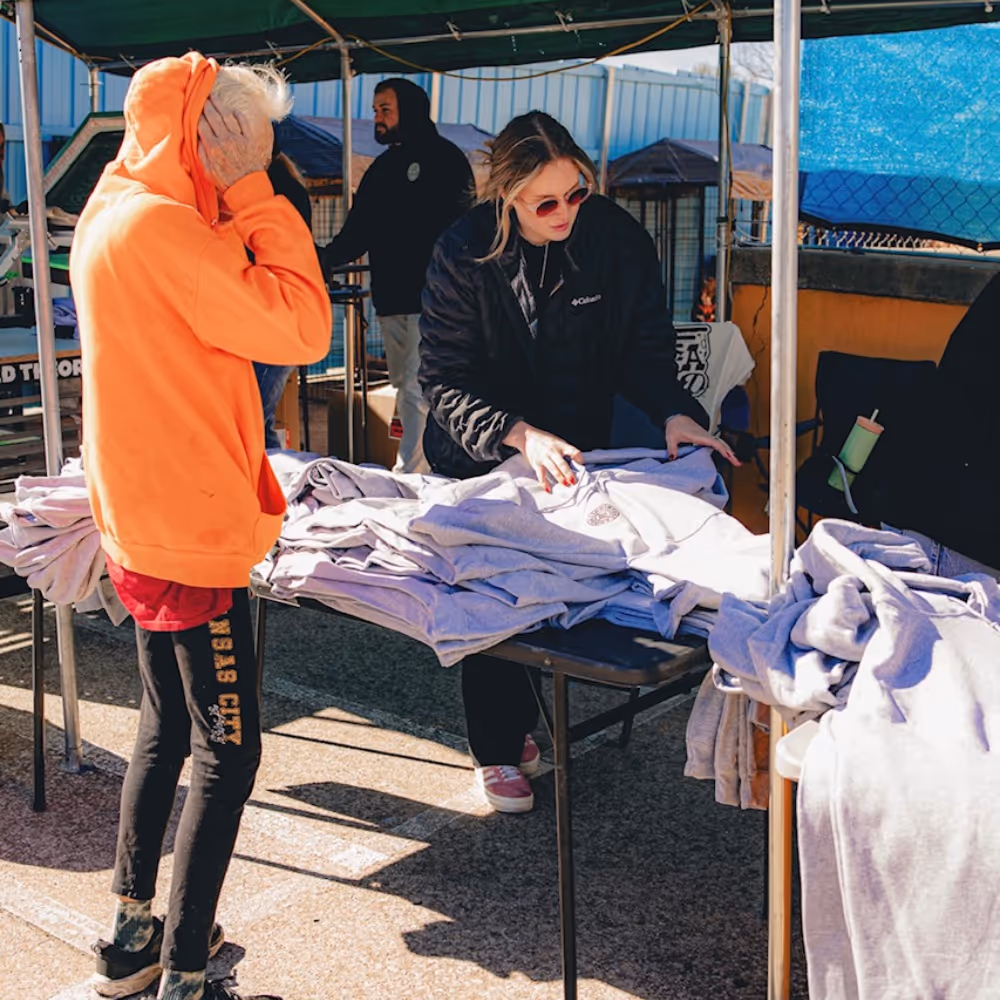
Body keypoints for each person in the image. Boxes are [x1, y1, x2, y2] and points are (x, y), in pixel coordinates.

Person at [70, 53, 331, 1000]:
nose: (249, 162)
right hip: (191, 530)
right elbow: (305, 329)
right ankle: (186, 967)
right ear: (207, 140)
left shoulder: (110, 211)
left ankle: (132, 934)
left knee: (164, 725)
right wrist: (256, 191)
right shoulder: (169, 230)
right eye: (244, 143)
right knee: (229, 749)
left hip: (142, 521)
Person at [419, 111, 737, 814]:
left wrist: (674, 410)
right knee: (496, 585)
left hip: (575, 441)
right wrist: (516, 433)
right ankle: (497, 746)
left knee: (559, 582)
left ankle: (522, 712)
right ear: (506, 198)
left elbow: (646, 348)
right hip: (483, 446)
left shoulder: (617, 239)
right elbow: (441, 380)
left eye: (577, 193)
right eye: (545, 203)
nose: (565, 212)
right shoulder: (463, 251)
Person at [319, 78, 474, 474]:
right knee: (408, 387)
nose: (377, 118)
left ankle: (414, 475)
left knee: (417, 389)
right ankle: (426, 469)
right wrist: (320, 259)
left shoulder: (447, 160)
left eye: (385, 109)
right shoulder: (383, 169)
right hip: (390, 300)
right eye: (375, 110)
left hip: (435, 302)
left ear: (411, 109)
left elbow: (463, 233)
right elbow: (358, 231)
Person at [253, 138, 315, 449]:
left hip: (274, 320)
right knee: (257, 417)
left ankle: (273, 489)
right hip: (282, 319)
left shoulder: (270, 196)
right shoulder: (290, 189)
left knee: (253, 419)